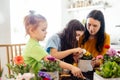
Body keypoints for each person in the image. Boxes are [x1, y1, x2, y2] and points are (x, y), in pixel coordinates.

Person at [22, 11, 85, 79]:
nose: (46, 32)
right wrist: (72, 67)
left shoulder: (34, 44)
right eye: (43, 30)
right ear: (31, 30)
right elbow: (52, 60)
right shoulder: (33, 46)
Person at [78, 10, 110, 80]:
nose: (91, 29)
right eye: (88, 24)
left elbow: (104, 58)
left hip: (97, 72)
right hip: (81, 70)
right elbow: (77, 55)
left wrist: (96, 62)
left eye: (95, 26)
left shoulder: (106, 37)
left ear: (101, 25)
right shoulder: (81, 37)